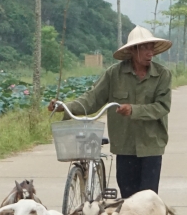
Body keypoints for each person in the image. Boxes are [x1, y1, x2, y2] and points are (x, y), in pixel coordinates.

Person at [48, 26, 172, 199]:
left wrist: (133, 110)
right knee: (128, 197)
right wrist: (65, 106)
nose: (149, 52)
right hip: (124, 145)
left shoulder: (162, 75)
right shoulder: (114, 74)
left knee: (148, 198)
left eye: (151, 47)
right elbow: (92, 99)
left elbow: (162, 107)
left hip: (151, 145)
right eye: (144, 47)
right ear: (132, 50)